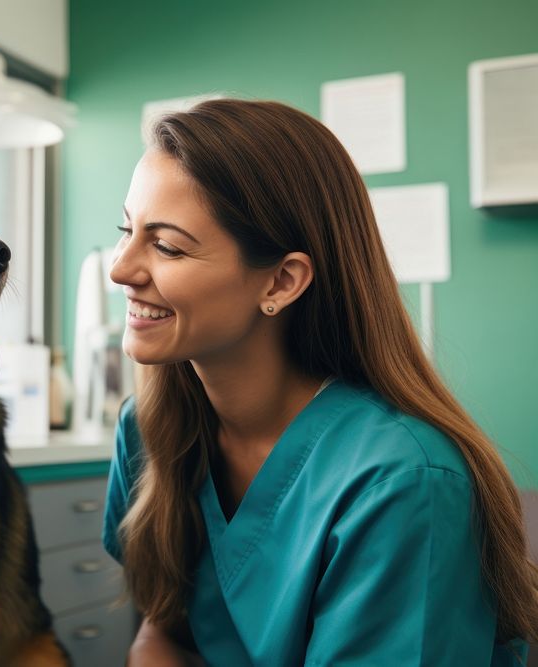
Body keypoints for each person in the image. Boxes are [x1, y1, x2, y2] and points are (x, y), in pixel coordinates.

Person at [102, 99, 537, 666]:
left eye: (167, 245)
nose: (120, 268)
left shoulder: (403, 483)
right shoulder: (147, 429)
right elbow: (165, 629)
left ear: (282, 281)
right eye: (127, 229)